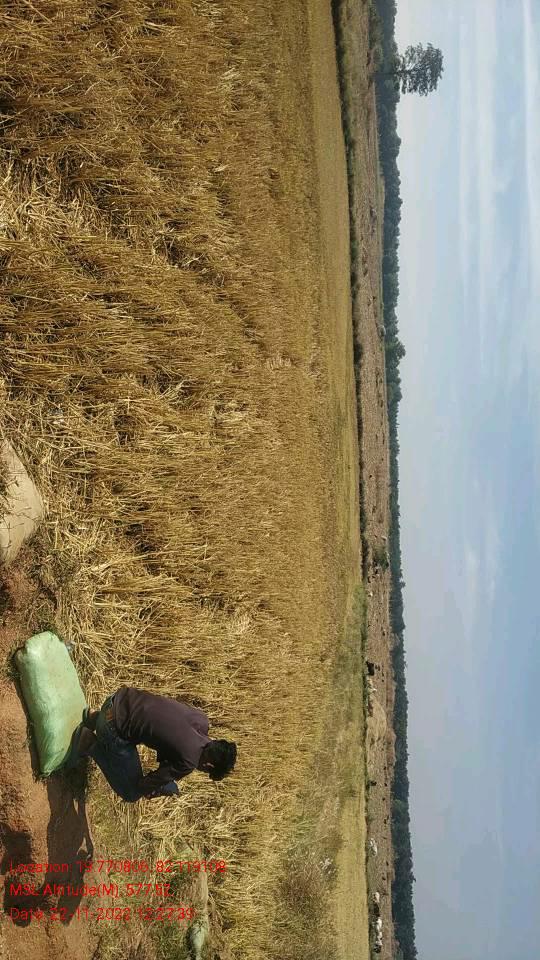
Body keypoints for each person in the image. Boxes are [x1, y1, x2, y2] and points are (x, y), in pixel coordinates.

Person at [67, 686, 237, 802]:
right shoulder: (190, 761)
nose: (201, 770)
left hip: (116, 699)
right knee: (131, 793)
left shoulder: (201, 720)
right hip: (112, 728)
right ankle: (89, 743)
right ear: (209, 765)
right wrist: (155, 789)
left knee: (132, 726)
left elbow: (167, 732)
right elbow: (144, 785)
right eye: (206, 771)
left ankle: (95, 718)